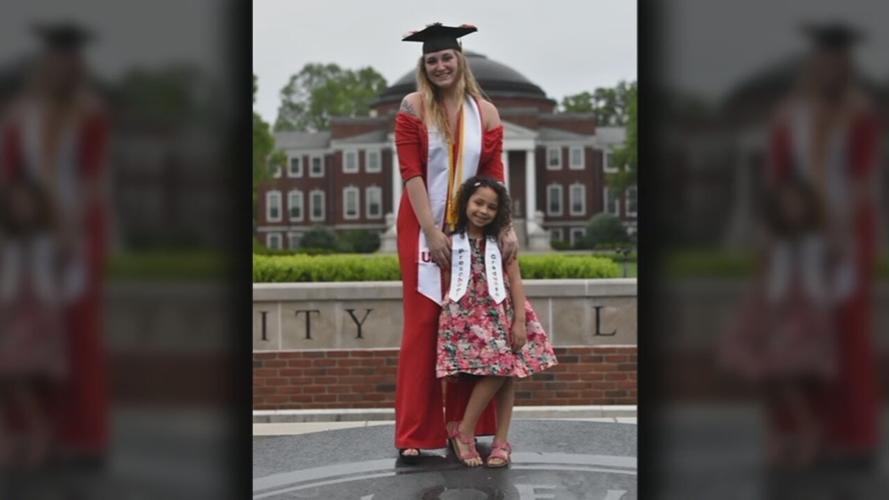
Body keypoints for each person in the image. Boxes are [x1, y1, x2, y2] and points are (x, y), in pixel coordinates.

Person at [394, 22, 519, 459]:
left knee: (472, 327)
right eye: (432, 60)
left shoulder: (484, 112)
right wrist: (431, 229)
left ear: (459, 59)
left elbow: (494, 175)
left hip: (474, 231)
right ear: (423, 66)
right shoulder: (412, 107)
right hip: (421, 225)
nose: (440, 65)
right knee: (425, 326)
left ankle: (462, 426)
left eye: (446, 57)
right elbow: (411, 172)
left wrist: (505, 226)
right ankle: (414, 434)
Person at [766, 22, 881, 466]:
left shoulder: (859, 115)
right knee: (792, 333)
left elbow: (864, 179)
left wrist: (842, 228)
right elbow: (778, 176)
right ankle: (797, 428)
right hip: (793, 232)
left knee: (845, 334)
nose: (830, 69)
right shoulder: (790, 115)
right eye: (824, 61)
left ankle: (848, 436)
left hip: (845, 233)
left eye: (838, 62)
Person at [0, 21, 110, 463]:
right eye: (56, 60)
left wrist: (72, 227)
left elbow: (93, 178)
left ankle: (79, 437)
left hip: (73, 234)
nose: (62, 69)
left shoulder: (89, 115)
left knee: (76, 337)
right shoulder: (20, 116)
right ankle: (23, 430)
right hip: (22, 234)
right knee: (16, 341)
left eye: (70, 61)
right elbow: (9, 174)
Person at [721, 175, 845, 467]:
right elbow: (761, 277)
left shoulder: (819, 239)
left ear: (807, 206)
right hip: (772, 310)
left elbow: (837, 262)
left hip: (805, 316)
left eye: (797, 204)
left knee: (785, 374)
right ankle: (774, 434)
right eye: (785, 204)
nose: (792, 210)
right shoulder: (772, 240)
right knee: (765, 377)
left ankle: (808, 430)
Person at [436, 176, 557, 467]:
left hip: (499, 313)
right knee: (504, 369)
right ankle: (469, 432)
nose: (483, 210)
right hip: (465, 316)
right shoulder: (451, 241)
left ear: (498, 213)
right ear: (465, 202)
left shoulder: (502, 242)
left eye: (491, 207)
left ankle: (493, 439)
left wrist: (519, 321)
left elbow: (515, 281)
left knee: (507, 369)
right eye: (478, 202)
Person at [0, 179, 83, 468]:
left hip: (40, 319)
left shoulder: (49, 241)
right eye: (15, 204)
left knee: (15, 375)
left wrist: (68, 247)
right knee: (7, 374)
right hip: (9, 315)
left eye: (26, 203)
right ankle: (10, 434)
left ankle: (36, 430)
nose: (20, 209)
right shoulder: (6, 242)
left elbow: (69, 270)